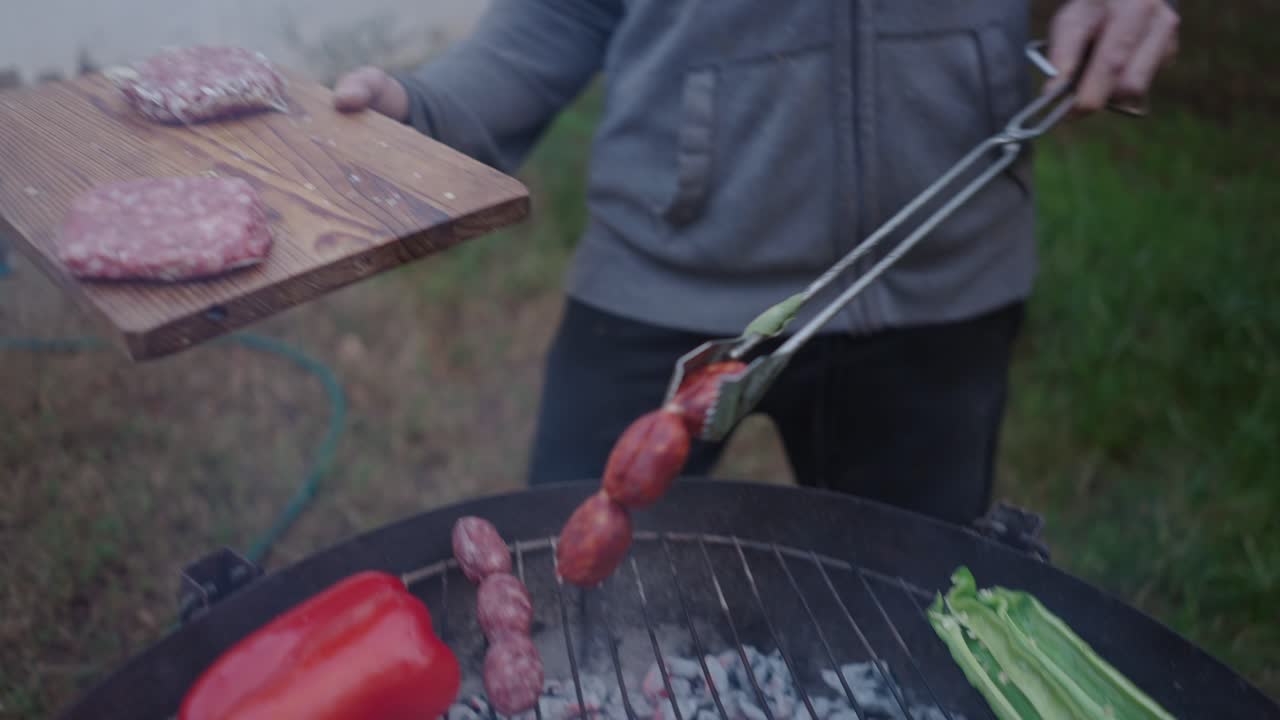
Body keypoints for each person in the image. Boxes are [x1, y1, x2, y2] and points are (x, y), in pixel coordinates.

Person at [331, 0, 1179, 526]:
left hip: (942, 273)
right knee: (568, 583)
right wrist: (435, 109)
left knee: (909, 633)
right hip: (662, 273)